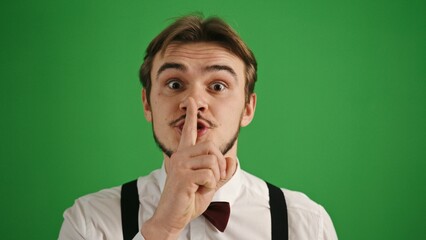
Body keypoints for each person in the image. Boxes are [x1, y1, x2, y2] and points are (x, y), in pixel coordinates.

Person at [59, 15, 338, 240]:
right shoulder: (90, 222)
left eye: (218, 86)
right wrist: (162, 230)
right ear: (147, 103)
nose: (193, 103)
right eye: (174, 84)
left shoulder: (305, 224)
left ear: (248, 108)